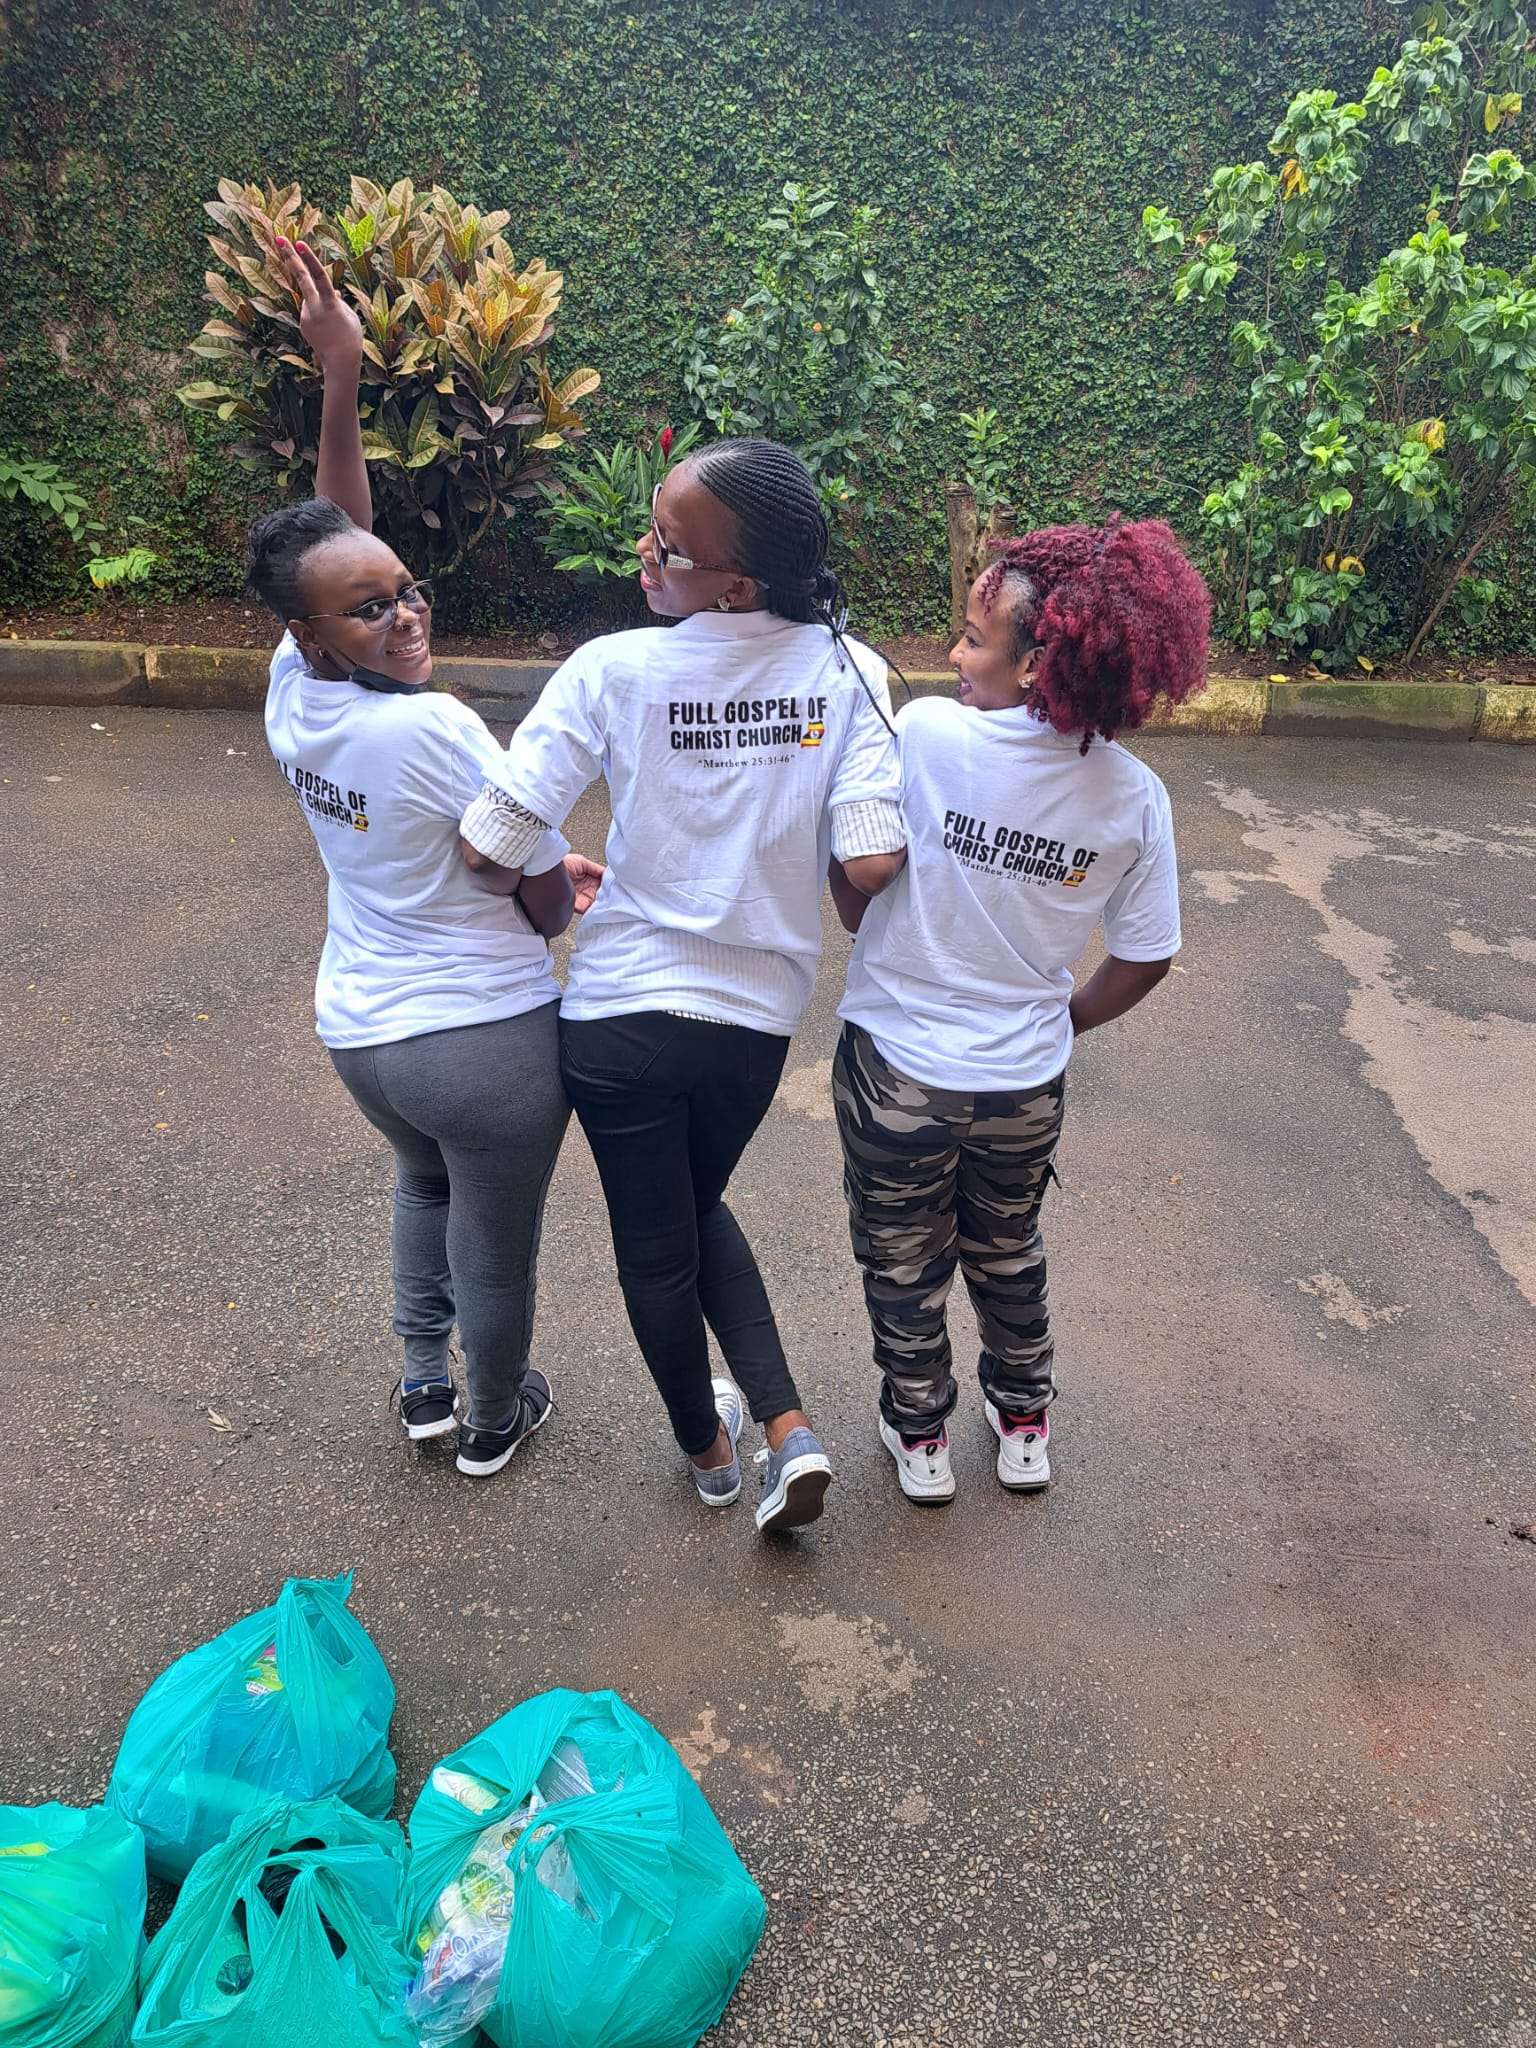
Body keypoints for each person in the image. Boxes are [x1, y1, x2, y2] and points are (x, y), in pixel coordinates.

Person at [456, 439, 906, 1535]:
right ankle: (789, 1431)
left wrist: (551, 863)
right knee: (692, 1212)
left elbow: (486, 843)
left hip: (617, 1019)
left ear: (738, 584)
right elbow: (872, 862)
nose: (644, 551)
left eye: (667, 543)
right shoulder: (849, 669)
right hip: (751, 1026)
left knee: (659, 1244)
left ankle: (712, 1457)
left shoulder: (611, 670)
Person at [252, 238, 598, 1477]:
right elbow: (540, 899)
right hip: (479, 1038)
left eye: (403, 589)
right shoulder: (436, 727)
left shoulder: (295, 687)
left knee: (423, 1190)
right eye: (372, 608)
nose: (403, 613)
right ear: (314, 630)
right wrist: (558, 883)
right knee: (496, 1248)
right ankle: (494, 1417)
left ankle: (422, 1382)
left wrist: (341, 377)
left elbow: (336, 535)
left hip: (364, 1032)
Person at [830, 517, 1210, 1504]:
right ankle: (1025, 1419)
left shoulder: (924, 737)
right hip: (1025, 1084)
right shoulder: (1133, 795)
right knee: (1008, 1250)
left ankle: (921, 1434)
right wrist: (1063, 1019)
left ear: (1037, 660)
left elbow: (857, 893)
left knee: (902, 1261)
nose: (954, 657)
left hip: (898, 1070)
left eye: (972, 638)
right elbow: (1148, 953)